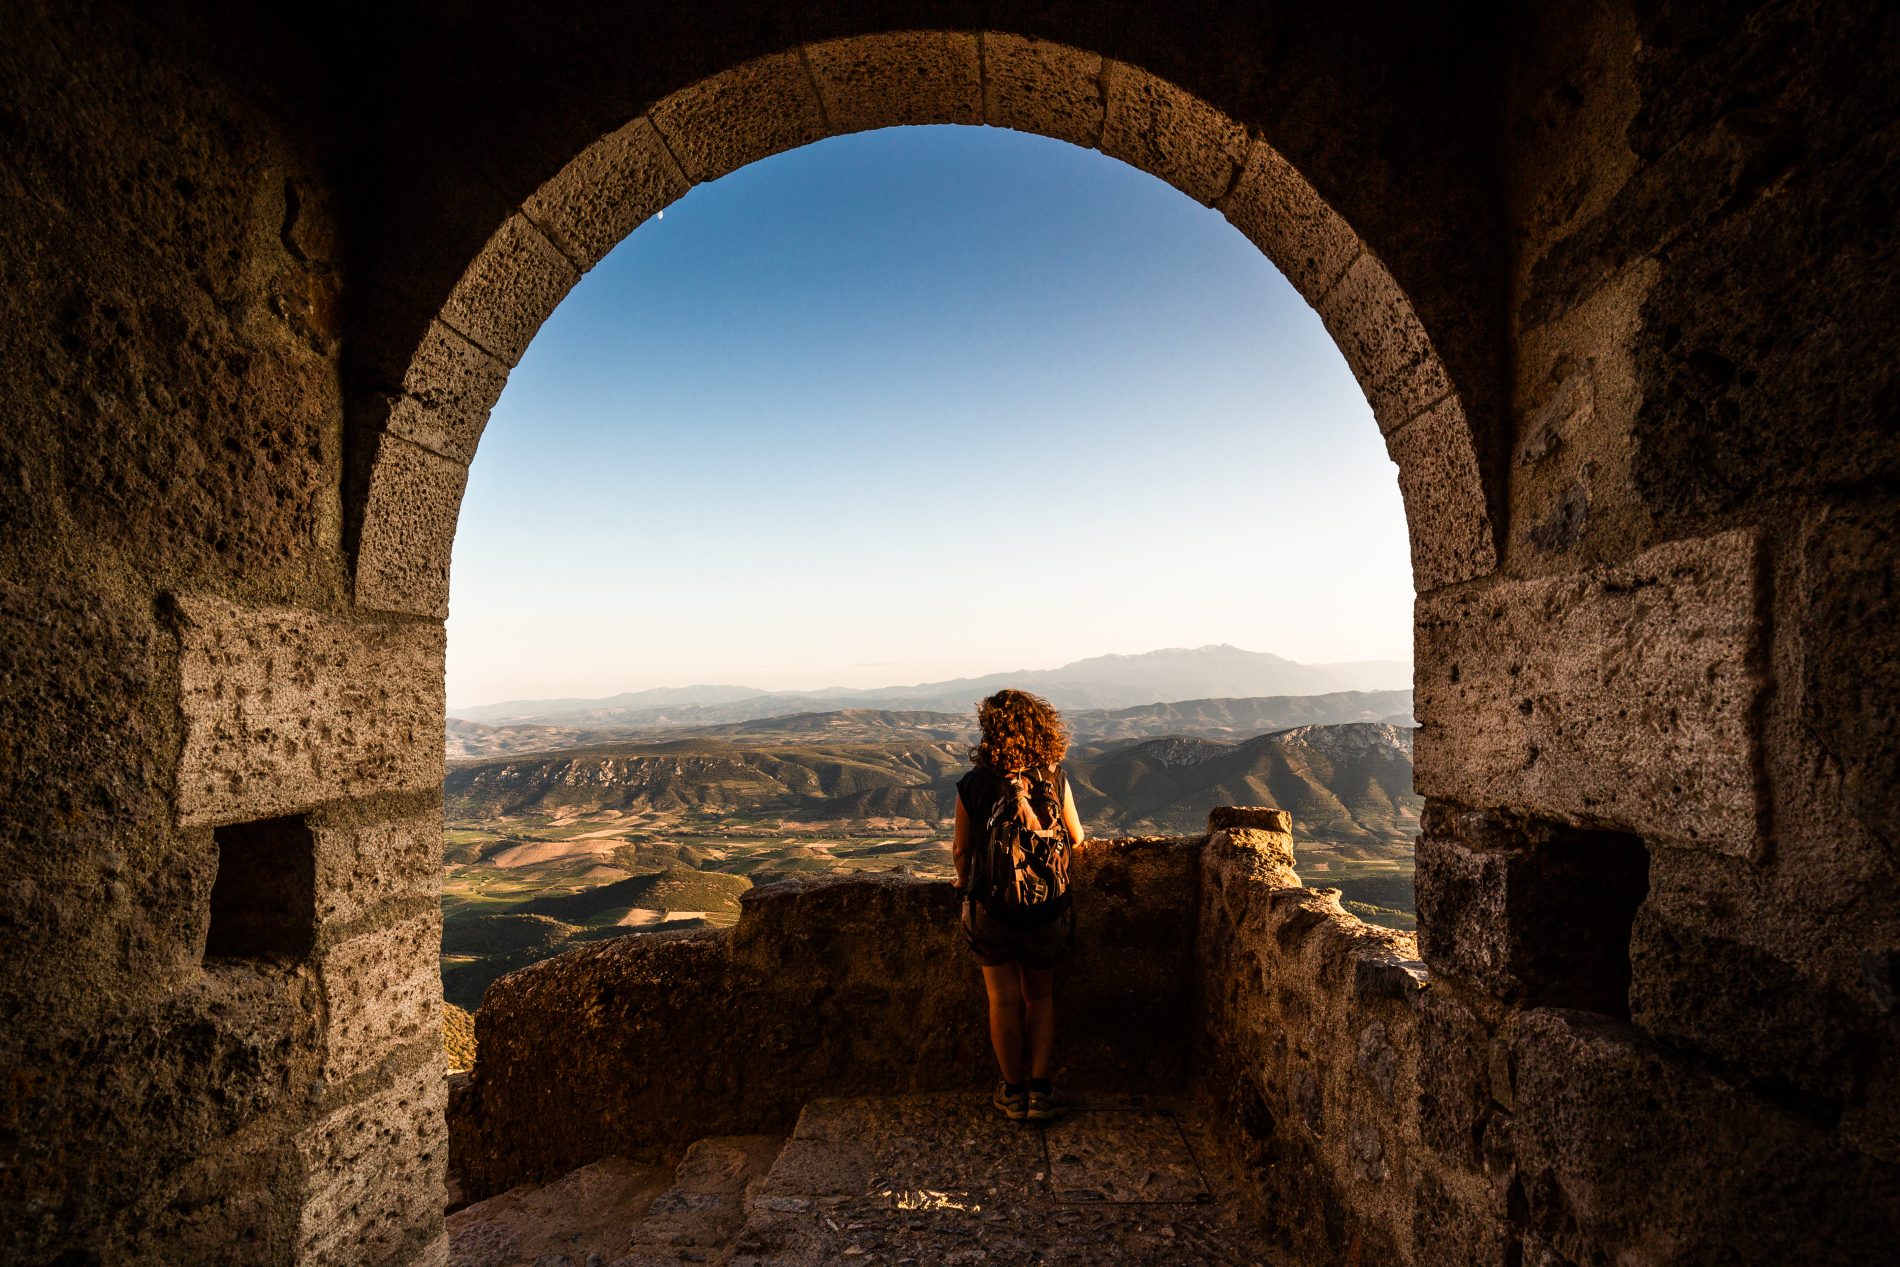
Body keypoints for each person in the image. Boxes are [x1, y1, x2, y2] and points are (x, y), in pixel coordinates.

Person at [952, 689, 1087, 1122]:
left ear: (989, 730)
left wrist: (962, 882)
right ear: (1041, 727)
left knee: (1003, 1001)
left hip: (992, 908)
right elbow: (1078, 837)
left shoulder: (973, 783)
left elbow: (961, 851)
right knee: (1040, 998)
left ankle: (1012, 1093)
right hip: (1046, 906)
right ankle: (1041, 1093)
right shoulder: (1054, 777)